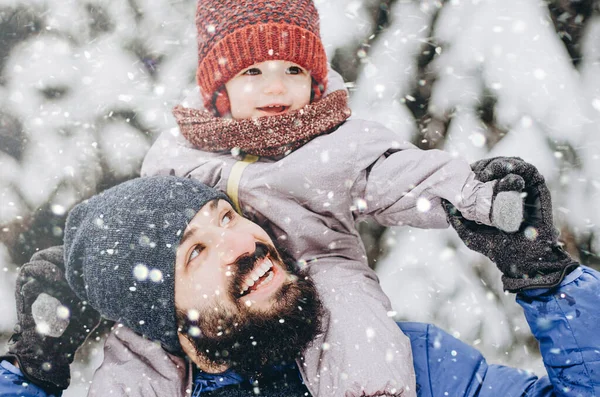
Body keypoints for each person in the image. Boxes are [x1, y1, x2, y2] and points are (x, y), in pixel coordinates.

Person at [141, 0, 525, 394]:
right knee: (146, 332)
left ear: (315, 79)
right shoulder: (182, 154)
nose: (276, 86)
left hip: (319, 265)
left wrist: (478, 196)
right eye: (253, 71)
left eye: (293, 69)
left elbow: (405, 177)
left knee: (351, 312)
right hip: (221, 285)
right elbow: (137, 217)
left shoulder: (338, 145)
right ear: (219, 89)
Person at [1, 161, 596, 396]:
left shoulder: (406, 365)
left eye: (227, 218)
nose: (242, 243)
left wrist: (548, 282)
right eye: (197, 253)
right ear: (171, 324)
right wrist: (32, 372)